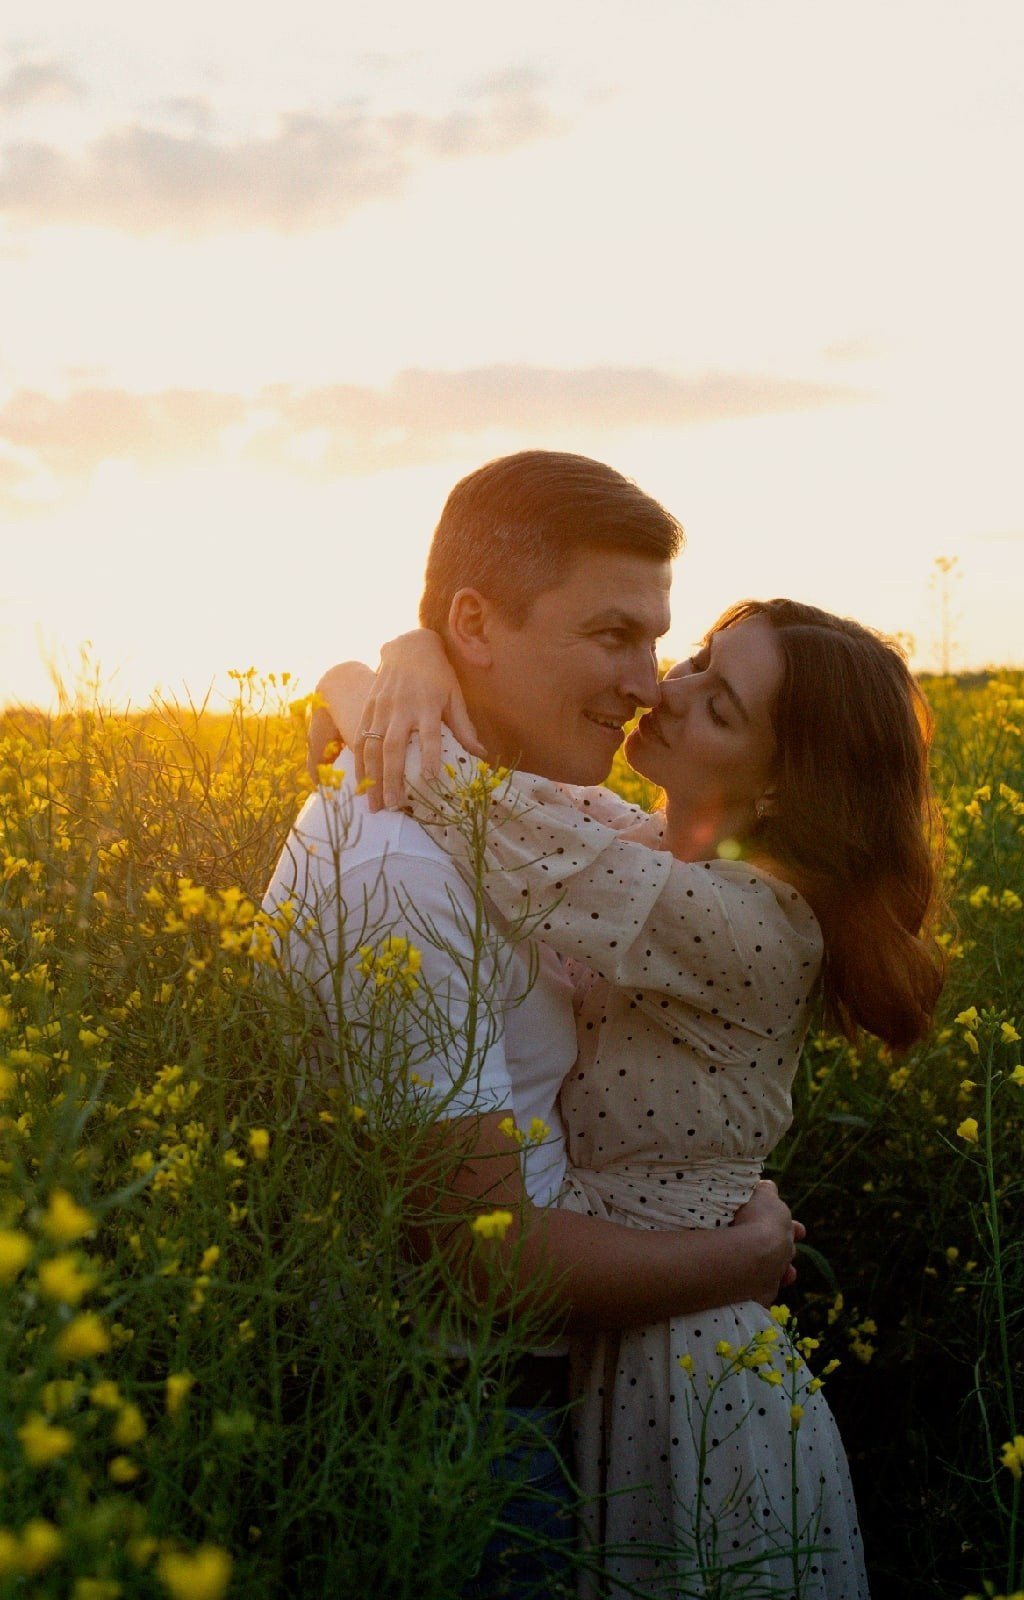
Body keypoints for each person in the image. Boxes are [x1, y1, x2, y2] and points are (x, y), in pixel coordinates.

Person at [316, 596, 944, 1597]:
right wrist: (404, 657)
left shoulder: (746, 920)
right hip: (642, 1319)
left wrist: (365, 685)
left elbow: (473, 809)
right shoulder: (654, 851)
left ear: (781, 785)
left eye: (720, 703)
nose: (666, 686)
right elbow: (517, 802)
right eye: (696, 659)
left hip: (686, 1368)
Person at [264, 452, 804, 1598]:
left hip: (554, 1399)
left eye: (660, 642)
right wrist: (742, 1260)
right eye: (615, 635)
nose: (647, 685)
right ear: (476, 622)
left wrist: (372, 671)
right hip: (464, 1428)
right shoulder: (403, 861)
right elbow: (474, 1257)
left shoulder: (532, 816)